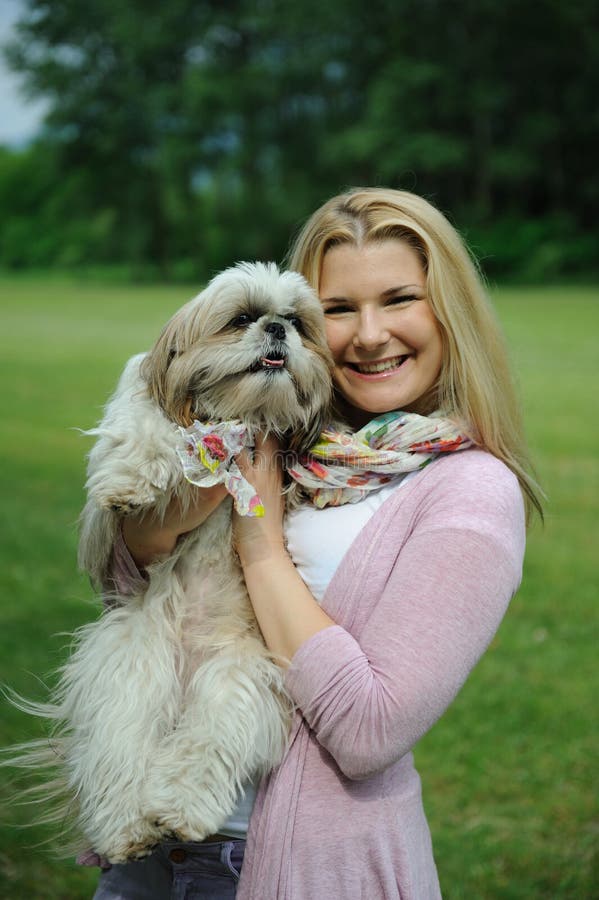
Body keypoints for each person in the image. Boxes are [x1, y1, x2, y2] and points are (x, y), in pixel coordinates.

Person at [88, 188, 541, 899]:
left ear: (449, 311)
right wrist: (165, 513)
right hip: (146, 860)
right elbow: (124, 585)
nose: (367, 334)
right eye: (337, 309)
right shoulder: (283, 436)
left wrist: (260, 538)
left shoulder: (469, 491)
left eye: (399, 299)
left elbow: (368, 729)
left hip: (294, 869)